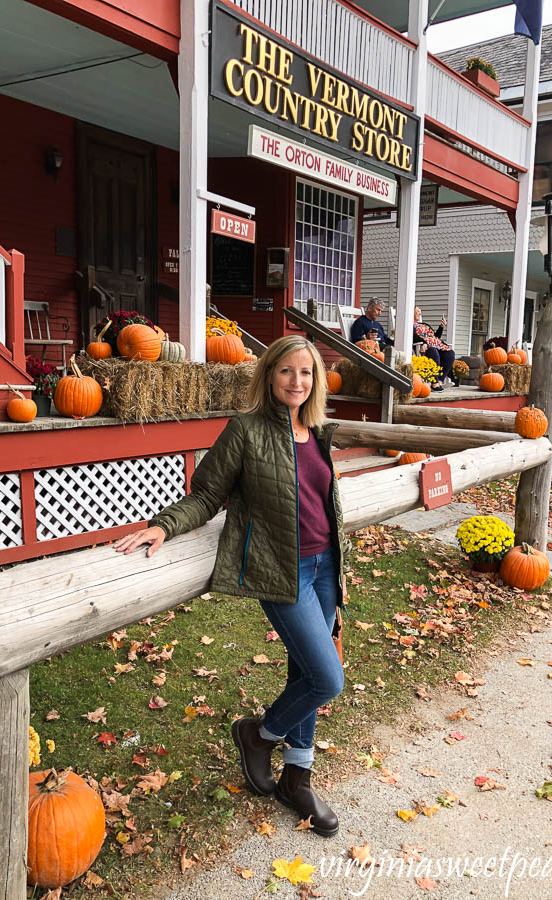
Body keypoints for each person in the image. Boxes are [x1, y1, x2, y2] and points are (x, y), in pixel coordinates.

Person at [114, 335, 347, 838]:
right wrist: (163, 525)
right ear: (268, 376)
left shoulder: (320, 431)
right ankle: (258, 735)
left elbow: (320, 500)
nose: (297, 382)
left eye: (306, 373)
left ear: (316, 381)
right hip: (281, 572)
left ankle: (297, 779)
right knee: (327, 679)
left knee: (303, 672)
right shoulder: (245, 430)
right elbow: (206, 495)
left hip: (327, 566)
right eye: (286, 371)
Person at [413, 306, 456, 391]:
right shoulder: (409, 326)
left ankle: (440, 380)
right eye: (418, 311)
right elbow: (413, 337)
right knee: (433, 351)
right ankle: (434, 382)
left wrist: (441, 327)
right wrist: (424, 343)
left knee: (450, 353)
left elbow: (435, 337)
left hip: (436, 345)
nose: (420, 313)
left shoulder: (424, 325)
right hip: (424, 347)